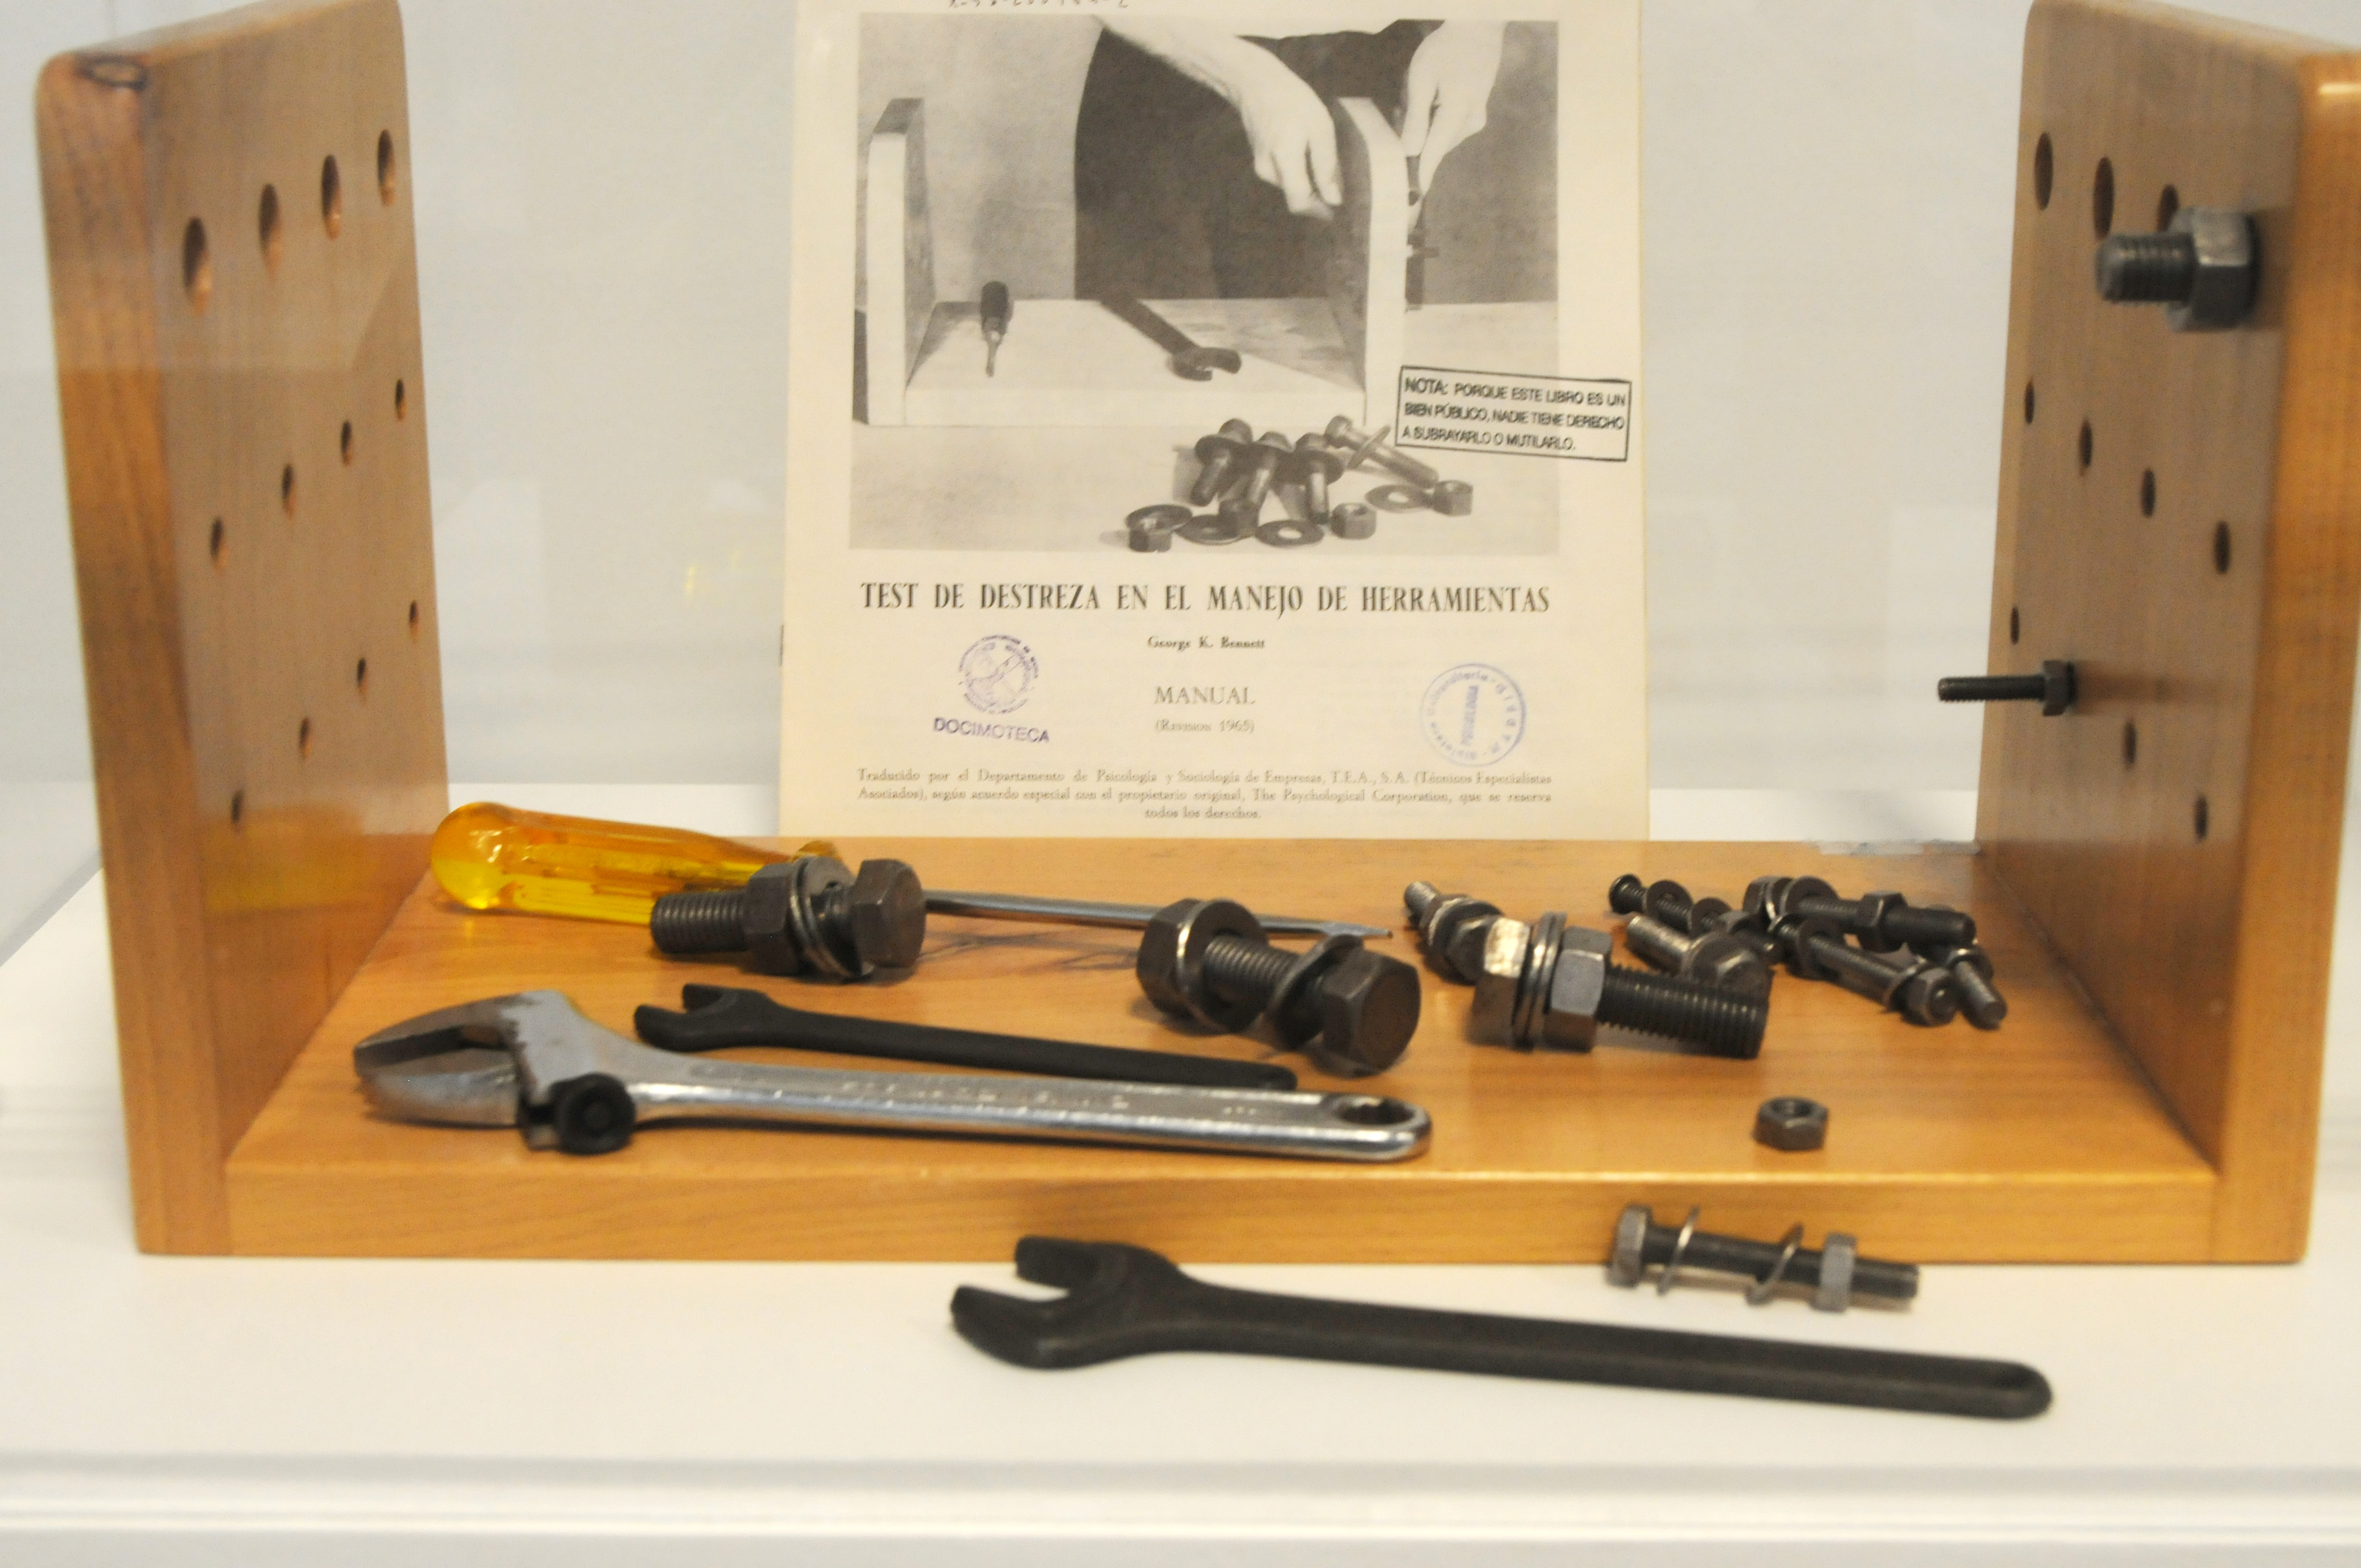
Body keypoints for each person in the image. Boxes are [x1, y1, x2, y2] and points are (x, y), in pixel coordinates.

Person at [1075, 19, 1505, 301]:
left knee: (1348, 375)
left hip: (1367, 65)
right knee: (1158, 369)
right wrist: (1243, 76)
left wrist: (1479, 23)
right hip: (1173, 62)